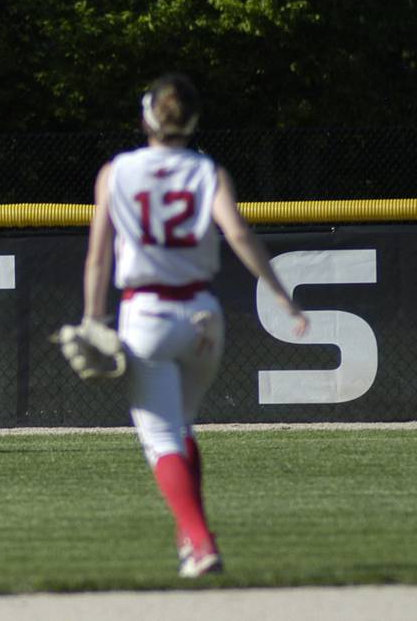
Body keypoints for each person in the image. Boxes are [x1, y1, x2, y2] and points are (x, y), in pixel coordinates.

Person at [82, 73, 308, 577]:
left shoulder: (116, 172)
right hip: (203, 314)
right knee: (182, 429)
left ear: (146, 117)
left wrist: (93, 317)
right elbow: (238, 234)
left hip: (147, 315)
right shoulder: (209, 172)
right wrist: (279, 293)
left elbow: (98, 257)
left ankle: (202, 543)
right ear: (194, 119)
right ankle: (192, 538)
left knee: (161, 438)